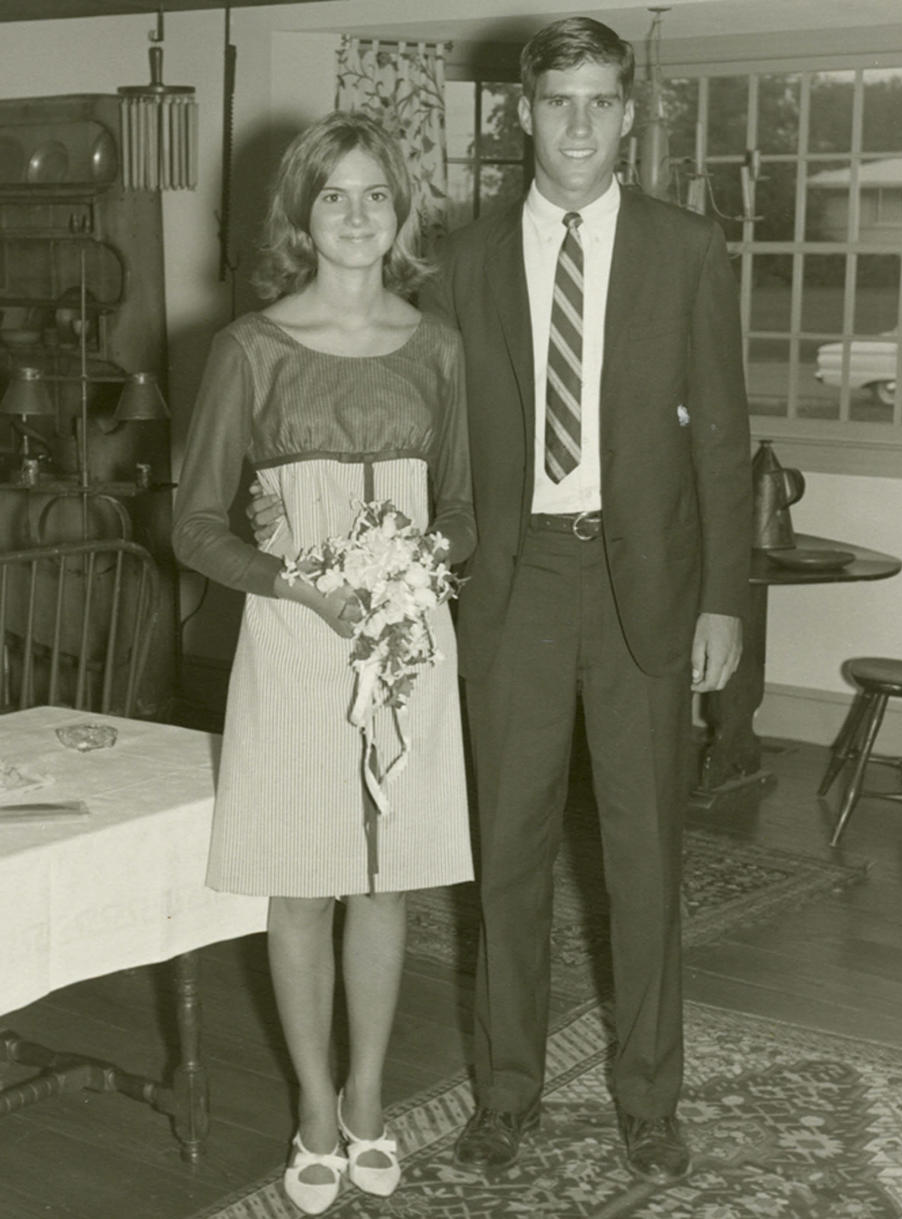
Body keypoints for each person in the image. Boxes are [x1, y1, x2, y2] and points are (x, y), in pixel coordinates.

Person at [250, 15, 752, 1184]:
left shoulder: (687, 248)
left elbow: (723, 441)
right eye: (557, 101)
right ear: (521, 116)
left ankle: (648, 1101)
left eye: (599, 102)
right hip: (510, 591)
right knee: (508, 857)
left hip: (647, 593)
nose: (578, 123)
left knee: (644, 861)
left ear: (629, 116)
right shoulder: (464, 262)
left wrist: (726, 601)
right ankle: (508, 1094)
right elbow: (408, 425)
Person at [172, 112, 475, 1216]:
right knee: (303, 881)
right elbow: (196, 525)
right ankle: (311, 1105)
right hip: (294, 634)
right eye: (334, 196)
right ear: (303, 216)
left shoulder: (439, 345)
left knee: (385, 878)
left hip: (408, 637)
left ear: (404, 217)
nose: (356, 215)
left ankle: (367, 1099)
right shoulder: (249, 347)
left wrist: (412, 575)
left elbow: (468, 516)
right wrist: (294, 580)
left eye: (376, 196)